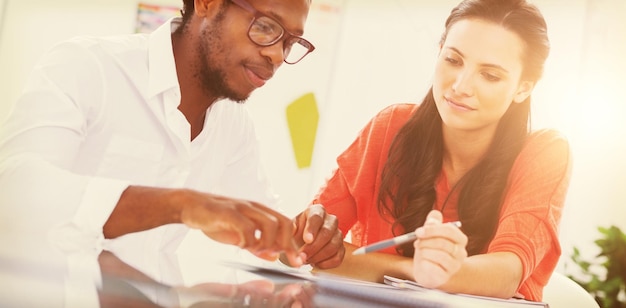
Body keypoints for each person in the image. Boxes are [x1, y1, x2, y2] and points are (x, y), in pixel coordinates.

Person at [0, 0, 344, 270]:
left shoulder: (233, 125)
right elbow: (14, 189)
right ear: (207, 2)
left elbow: (270, 235)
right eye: (266, 27)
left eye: (291, 41)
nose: (276, 55)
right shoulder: (89, 66)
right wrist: (181, 205)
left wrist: (305, 235)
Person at [310, 0, 571, 302]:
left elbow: (506, 276)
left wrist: (374, 266)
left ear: (523, 87)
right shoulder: (390, 128)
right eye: (454, 60)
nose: (460, 86)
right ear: (439, 51)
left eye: (490, 75)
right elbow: (316, 253)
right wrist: (307, 235)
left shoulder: (544, 152)